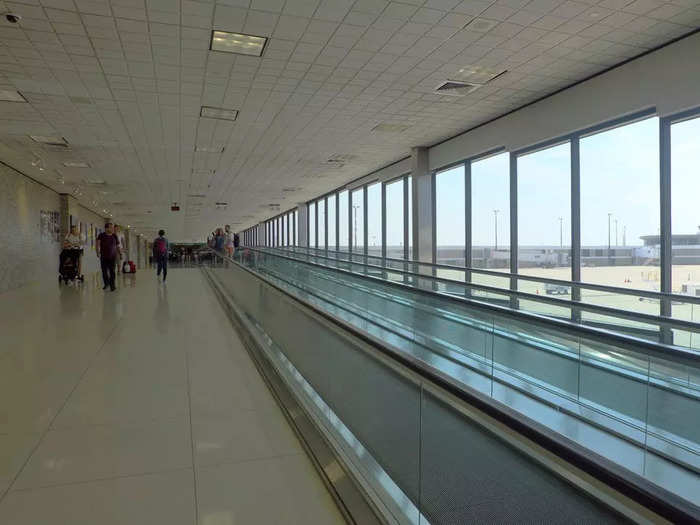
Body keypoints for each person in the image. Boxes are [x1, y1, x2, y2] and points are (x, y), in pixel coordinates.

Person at [96, 222, 121, 291]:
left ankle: (112, 285)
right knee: (104, 271)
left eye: (112, 227)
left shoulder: (114, 236)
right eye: (111, 227)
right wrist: (97, 252)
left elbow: (117, 245)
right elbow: (97, 244)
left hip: (113, 256)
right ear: (106, 228)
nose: (112, 229)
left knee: (112, 271)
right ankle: (106, 284)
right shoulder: (101, 235)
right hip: (104, 256)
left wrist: (120, 253)